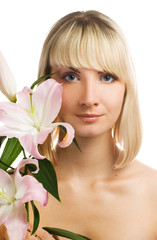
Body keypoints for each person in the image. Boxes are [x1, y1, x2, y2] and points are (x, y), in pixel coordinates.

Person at [2, 10, 157, 240]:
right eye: (71, 76)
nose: (89, 99)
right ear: (45, 85)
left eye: (106, 77)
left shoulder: (152, 193)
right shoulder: (10, 194)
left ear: (126, 88)